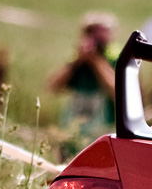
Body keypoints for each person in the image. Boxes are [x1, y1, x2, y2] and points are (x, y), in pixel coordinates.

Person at [49, 14, 117, 154]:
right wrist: (77, 61)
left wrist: (96, 61)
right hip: (71, 133)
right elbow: (53, 86)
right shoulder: (77, 62)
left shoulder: (115, 60)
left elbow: (117, 92)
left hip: (101, 135)